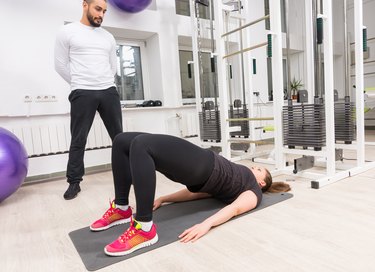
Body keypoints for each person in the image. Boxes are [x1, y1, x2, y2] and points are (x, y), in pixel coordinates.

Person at [90, 132, 291, 256]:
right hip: (198, 170)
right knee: (123, 140)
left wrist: (206, 225)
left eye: (257, 169)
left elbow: (234, 209)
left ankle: (144, 228)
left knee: (142, 144)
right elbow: (197, 194)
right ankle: (122, 208)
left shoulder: (254, 191)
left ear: (262, 181)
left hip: (205, 164)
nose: (253, 168)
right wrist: (164, 199)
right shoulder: (233, 185)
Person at [54, 0, 123, 200]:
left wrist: (104, 82)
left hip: (108, 91)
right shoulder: (67, 31)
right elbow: (60, 65)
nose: (101, 14)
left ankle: (128, 174)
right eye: (98, 9)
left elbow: (113, 67)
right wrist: (80, 82)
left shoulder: (108, 36)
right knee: (78, 139)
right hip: (82, 91)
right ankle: (74, 182)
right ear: (85, 5)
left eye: (104, 11)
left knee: (119, 138)